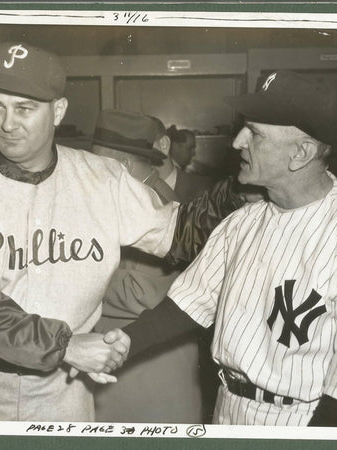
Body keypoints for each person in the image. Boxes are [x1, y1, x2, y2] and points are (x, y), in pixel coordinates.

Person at [0, 42, 243, 422]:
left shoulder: (102, 179)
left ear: (58, 111)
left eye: (24, 108)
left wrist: (244, 187)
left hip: (63, 390)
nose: (7, 123)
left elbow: (182, 234)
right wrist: (65, 344)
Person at [120, 70, 337, 427]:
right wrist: (114, 344)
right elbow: (186, 306)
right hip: (226, 408)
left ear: (302, 152)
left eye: (256, 133)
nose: (237, 142)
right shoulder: (243, 221)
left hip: (299, 422)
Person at [92, 110, 206, 423]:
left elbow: (148, 293)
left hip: (154, 366)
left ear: (121, 166)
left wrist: (74, 283)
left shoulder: (162, 208)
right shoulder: (118, 199)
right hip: (118, 361)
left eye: (96, 164)